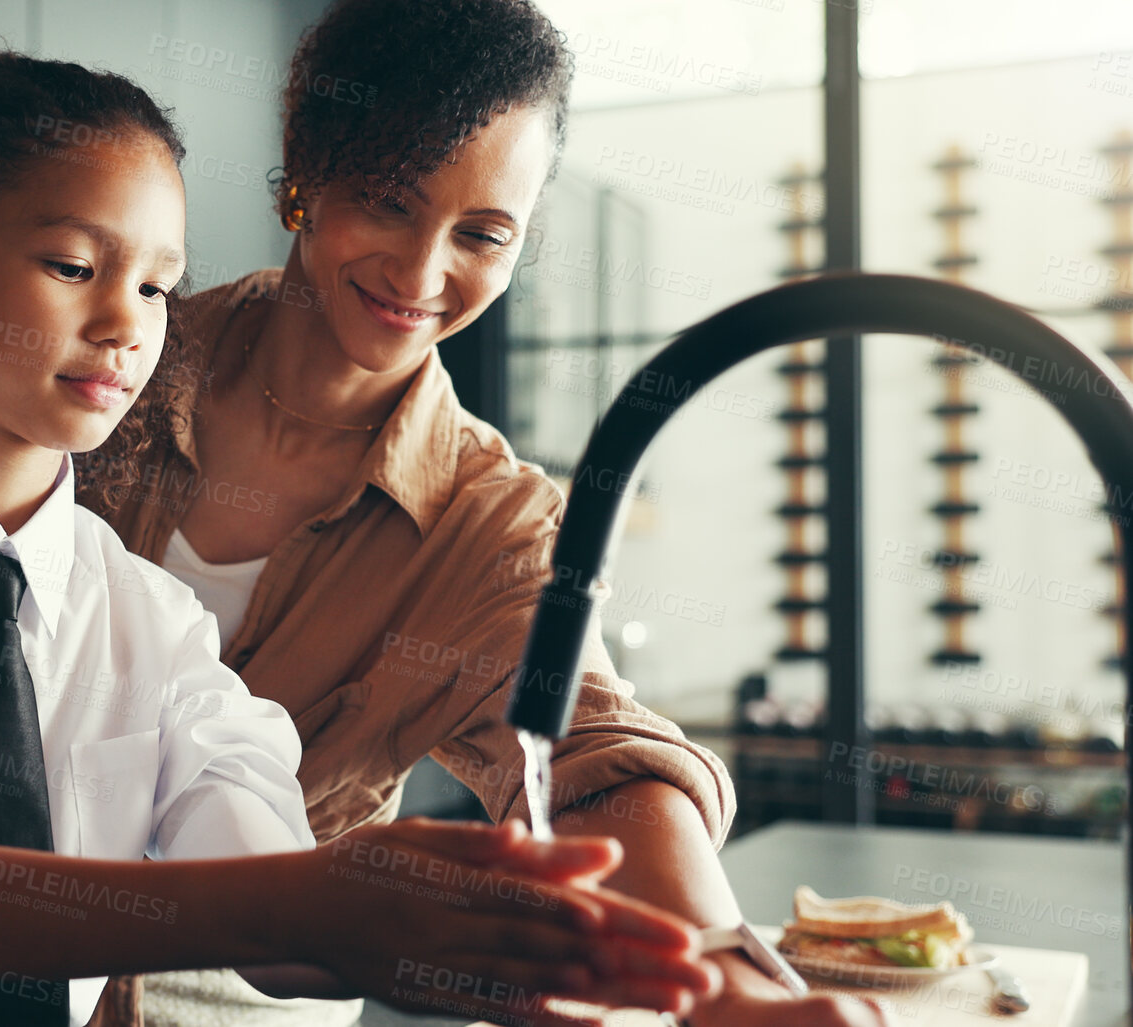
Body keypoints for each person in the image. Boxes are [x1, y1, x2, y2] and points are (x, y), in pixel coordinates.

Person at [0, 38, 720, 1027]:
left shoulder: (143, 611)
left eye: (158, 286)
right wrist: (322, 899)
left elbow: (273, 919)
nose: (126, 325)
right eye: (76, 268)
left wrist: (476, 942)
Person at [75, 2, 893, 1025]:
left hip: (247, 1001)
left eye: (481, 233)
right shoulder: (107, 365)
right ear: (305, 174)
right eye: (386, 202)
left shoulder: (488, 522)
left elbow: (595, 755)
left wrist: (721, 978)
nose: (421, 276)